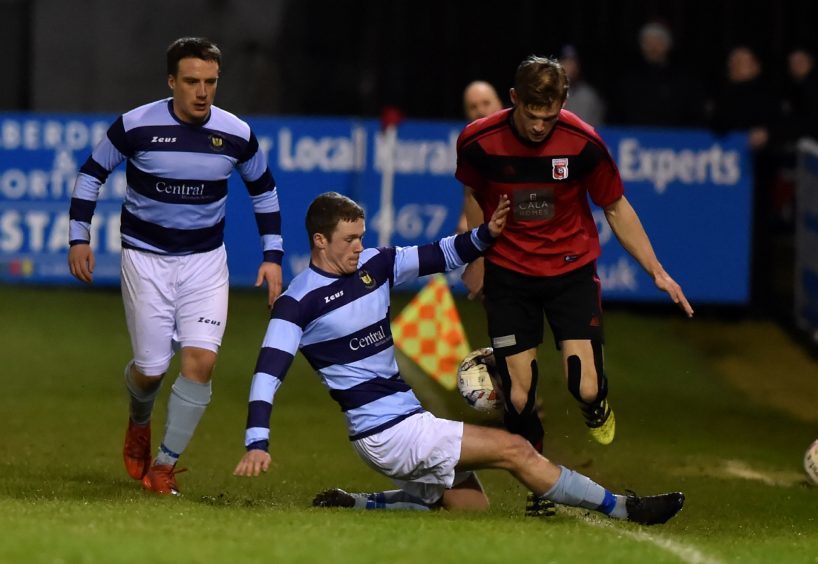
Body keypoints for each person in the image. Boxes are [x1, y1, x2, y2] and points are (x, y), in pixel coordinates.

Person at [233, 191, 685, 525]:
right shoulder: (298, 302)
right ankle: (626, 509)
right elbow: (267, 373)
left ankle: (358, 502)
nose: (358, 246)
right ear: (319, 241)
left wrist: (488, 235)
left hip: (399, 424)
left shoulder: (375, 266)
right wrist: (257, 439)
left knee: (472, 507)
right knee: (516, 449)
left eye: (361, 237)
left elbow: (444, 253)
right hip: (389, 432)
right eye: (349, 239)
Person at [456, 55, 693, 484]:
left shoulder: (584, 143)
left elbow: (616, 208)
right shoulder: (478, 141)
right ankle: (537, 482)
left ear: (563, 103)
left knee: (582, 384)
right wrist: (477, 257)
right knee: (519, 392)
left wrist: (656, 271)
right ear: (513, 100)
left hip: (570, 272)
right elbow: (475, 194)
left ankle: (595, 403)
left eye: (549, 117)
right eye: (531, 115)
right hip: (510, 276)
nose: (539, 127)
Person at [67, 37, 284, 495]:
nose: (202, 92)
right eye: (191, 82)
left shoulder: (236, 134)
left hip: (205, 264)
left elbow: (263, 189)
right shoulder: (136, 126)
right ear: (172, 82)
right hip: (146, 260)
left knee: (201, 363)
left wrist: (272, 256)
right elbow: (92, 173)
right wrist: (78, 238)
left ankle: (163, 467)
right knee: (150, 370)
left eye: (210, 82)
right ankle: (139, 419)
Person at [610, 20, 706, 126]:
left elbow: (694, 116)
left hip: (675, 139)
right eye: (648, 43)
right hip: (636, 138)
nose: (653, 48)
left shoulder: (684, 80)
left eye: (658, 42)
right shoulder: (628, 81)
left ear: (668, 44)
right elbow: (616, 116)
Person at [457, 81, 504, 234]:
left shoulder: (517, 139)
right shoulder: (471, 149)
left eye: (486, 103)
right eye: (473, 107)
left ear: (499, 104)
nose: (481, 111)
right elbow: (472, 197)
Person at [558, 45, 606, 127]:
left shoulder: (589, 96)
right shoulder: (549, 94)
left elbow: (596, 129)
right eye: (566, 62)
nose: (570, 66)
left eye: (573, 62)